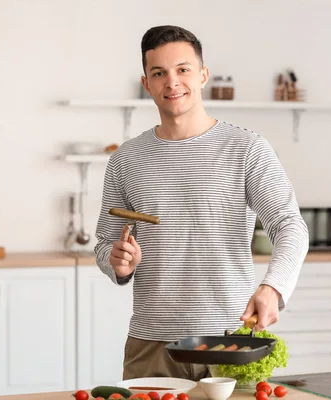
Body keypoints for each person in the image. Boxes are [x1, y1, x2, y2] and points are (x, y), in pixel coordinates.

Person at [94, 25, 309, 381]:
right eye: (159, 73)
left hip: (231, 340)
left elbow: (290, 225)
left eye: (183, 70)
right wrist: (118, 263)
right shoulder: (125, 159)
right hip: (151, 344)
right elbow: (104, 243)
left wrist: (273, 288)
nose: (172, 82)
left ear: (203, 75)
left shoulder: (247, 149)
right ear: (146, 84)